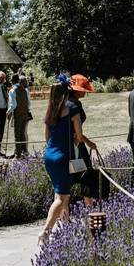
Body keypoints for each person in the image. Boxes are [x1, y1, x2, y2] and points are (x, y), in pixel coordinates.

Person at [40, 75, 96, 243]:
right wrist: (77, 140)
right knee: (61, 198)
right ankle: (45, 232)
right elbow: (79, 137)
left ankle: (65, 223)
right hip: (64, 157)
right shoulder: (72, 109)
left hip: (49, 156)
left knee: (61, 193)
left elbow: (46, 136)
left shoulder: (50, 110)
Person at [68, 74, 100, 205]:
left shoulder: (64, 101)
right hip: (77, 145)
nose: (85, 92)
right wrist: (88, 142)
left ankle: (66, 211)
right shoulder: (75, 105)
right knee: (86, 175)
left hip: (69, 143)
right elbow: (77, 133)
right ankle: (89, 206)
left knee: (70, 177)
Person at [6, 74, 31, 157]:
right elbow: (28, 103)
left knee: (17, 134)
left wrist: (8, 112)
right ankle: (24, 152)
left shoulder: (13, 90)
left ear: (12, 80)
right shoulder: (24, 89)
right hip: (25, 113)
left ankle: (18, 154)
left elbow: (13, 105)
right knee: (22, 134)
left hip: (18, 114)